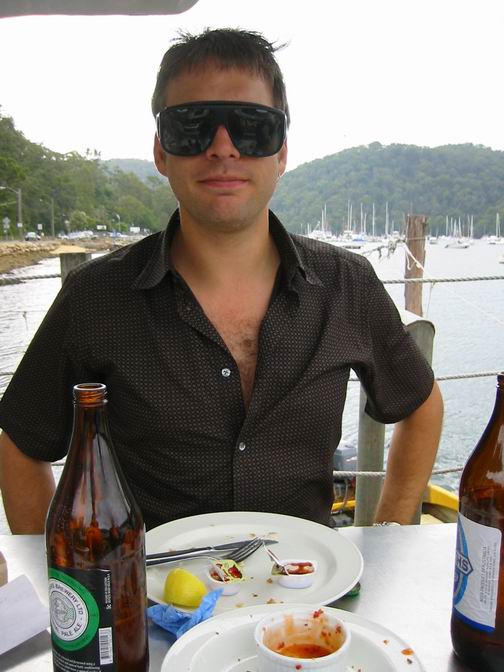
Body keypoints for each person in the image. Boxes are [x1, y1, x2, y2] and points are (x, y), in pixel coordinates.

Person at [0, 28, 443, 533]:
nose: (223, 148)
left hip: (308, 580)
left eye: (252, 127)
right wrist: (63, 571)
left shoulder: (347, 285)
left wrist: (389, 534)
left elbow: (421, 405)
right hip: (151, 582)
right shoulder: (95, 298)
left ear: (281, 153)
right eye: (192, 127)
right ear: (162, 152)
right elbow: (19, 443)